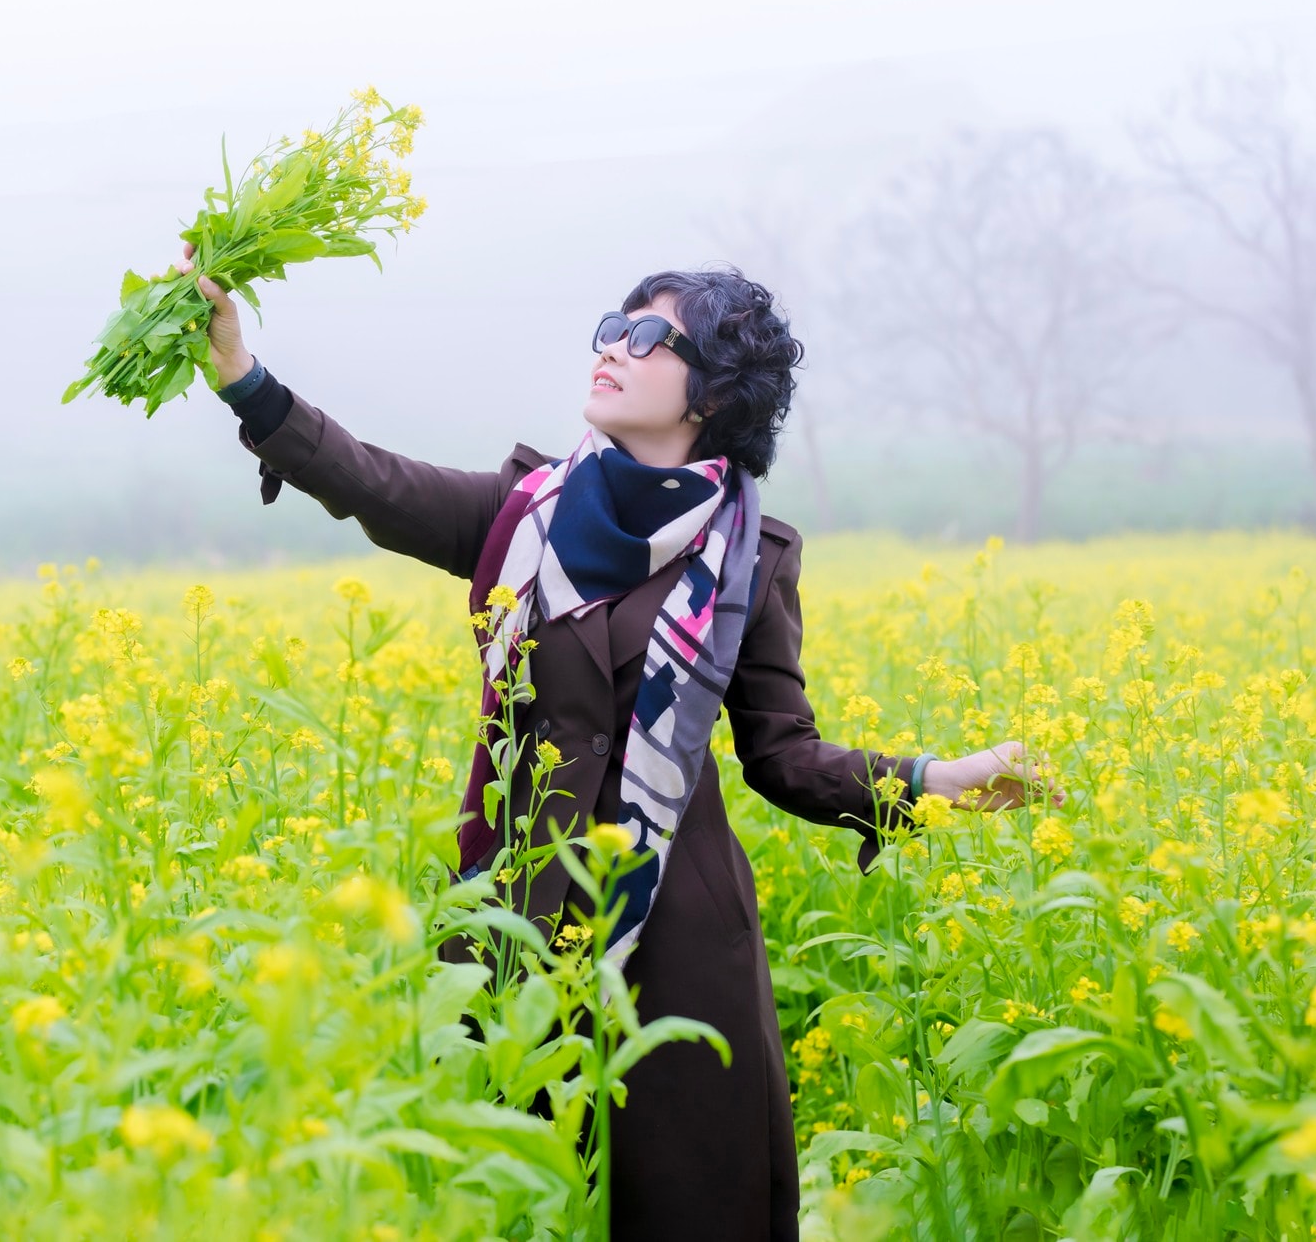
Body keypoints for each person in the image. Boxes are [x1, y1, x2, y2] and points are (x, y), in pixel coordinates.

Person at [173, 242, 1049, 1241]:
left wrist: (931, 779)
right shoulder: (519, 514)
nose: (612, 348)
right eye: (609, 328)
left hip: (676, 946)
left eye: (646, 337)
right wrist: (243, 377)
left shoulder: (751, 560)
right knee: (517, 1202)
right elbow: (370, 480)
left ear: (710, 394)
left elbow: (783, 756)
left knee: (680, 1211)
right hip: (516, 923)